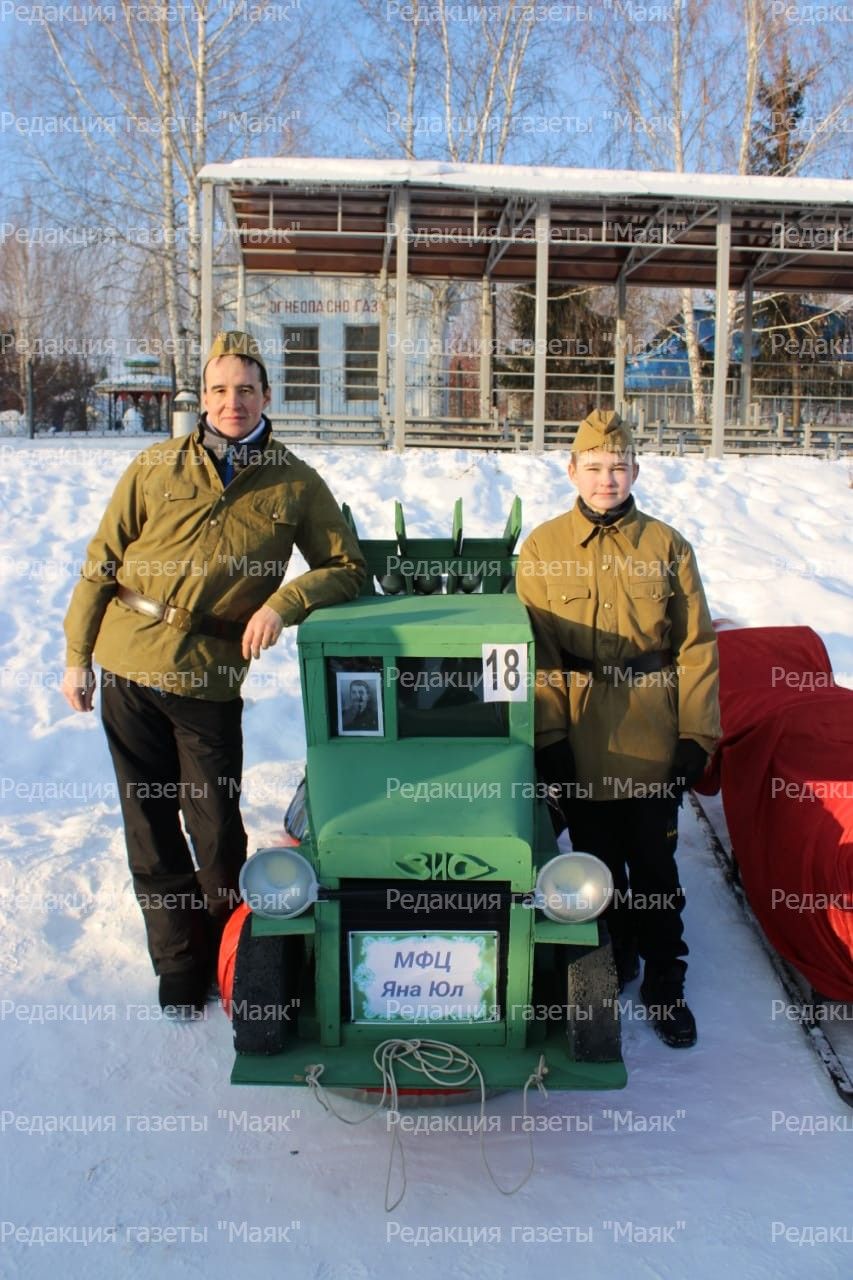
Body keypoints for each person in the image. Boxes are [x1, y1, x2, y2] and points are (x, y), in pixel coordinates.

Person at [61, 330, 366, 1015]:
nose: (232, 402)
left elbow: (346, 569)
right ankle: (177, 962)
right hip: (130, 661)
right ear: (203, 397)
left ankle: (230, 949)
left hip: (209, 678)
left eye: (246, 390)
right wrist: (77, 655)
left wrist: (283, 604)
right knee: (148, 822)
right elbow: (101, 560)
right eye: (220, 390)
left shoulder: (292, 480)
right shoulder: (155, 466)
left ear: (267, 396)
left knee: (217, 827)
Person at [516, 408, 720, 1048]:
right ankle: (611, 954)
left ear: (636, 469)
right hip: (580, 734)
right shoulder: (543, 548)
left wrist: (697, 735)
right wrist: (548, 740)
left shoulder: (667, 546)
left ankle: (666, 976)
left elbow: (697, 647)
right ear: (572, 470)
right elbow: (536, 656)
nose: (607, 479)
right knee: (595, 864)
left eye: (619, 467)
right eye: (595, 468)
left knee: (655, 866)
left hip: (651, 732)